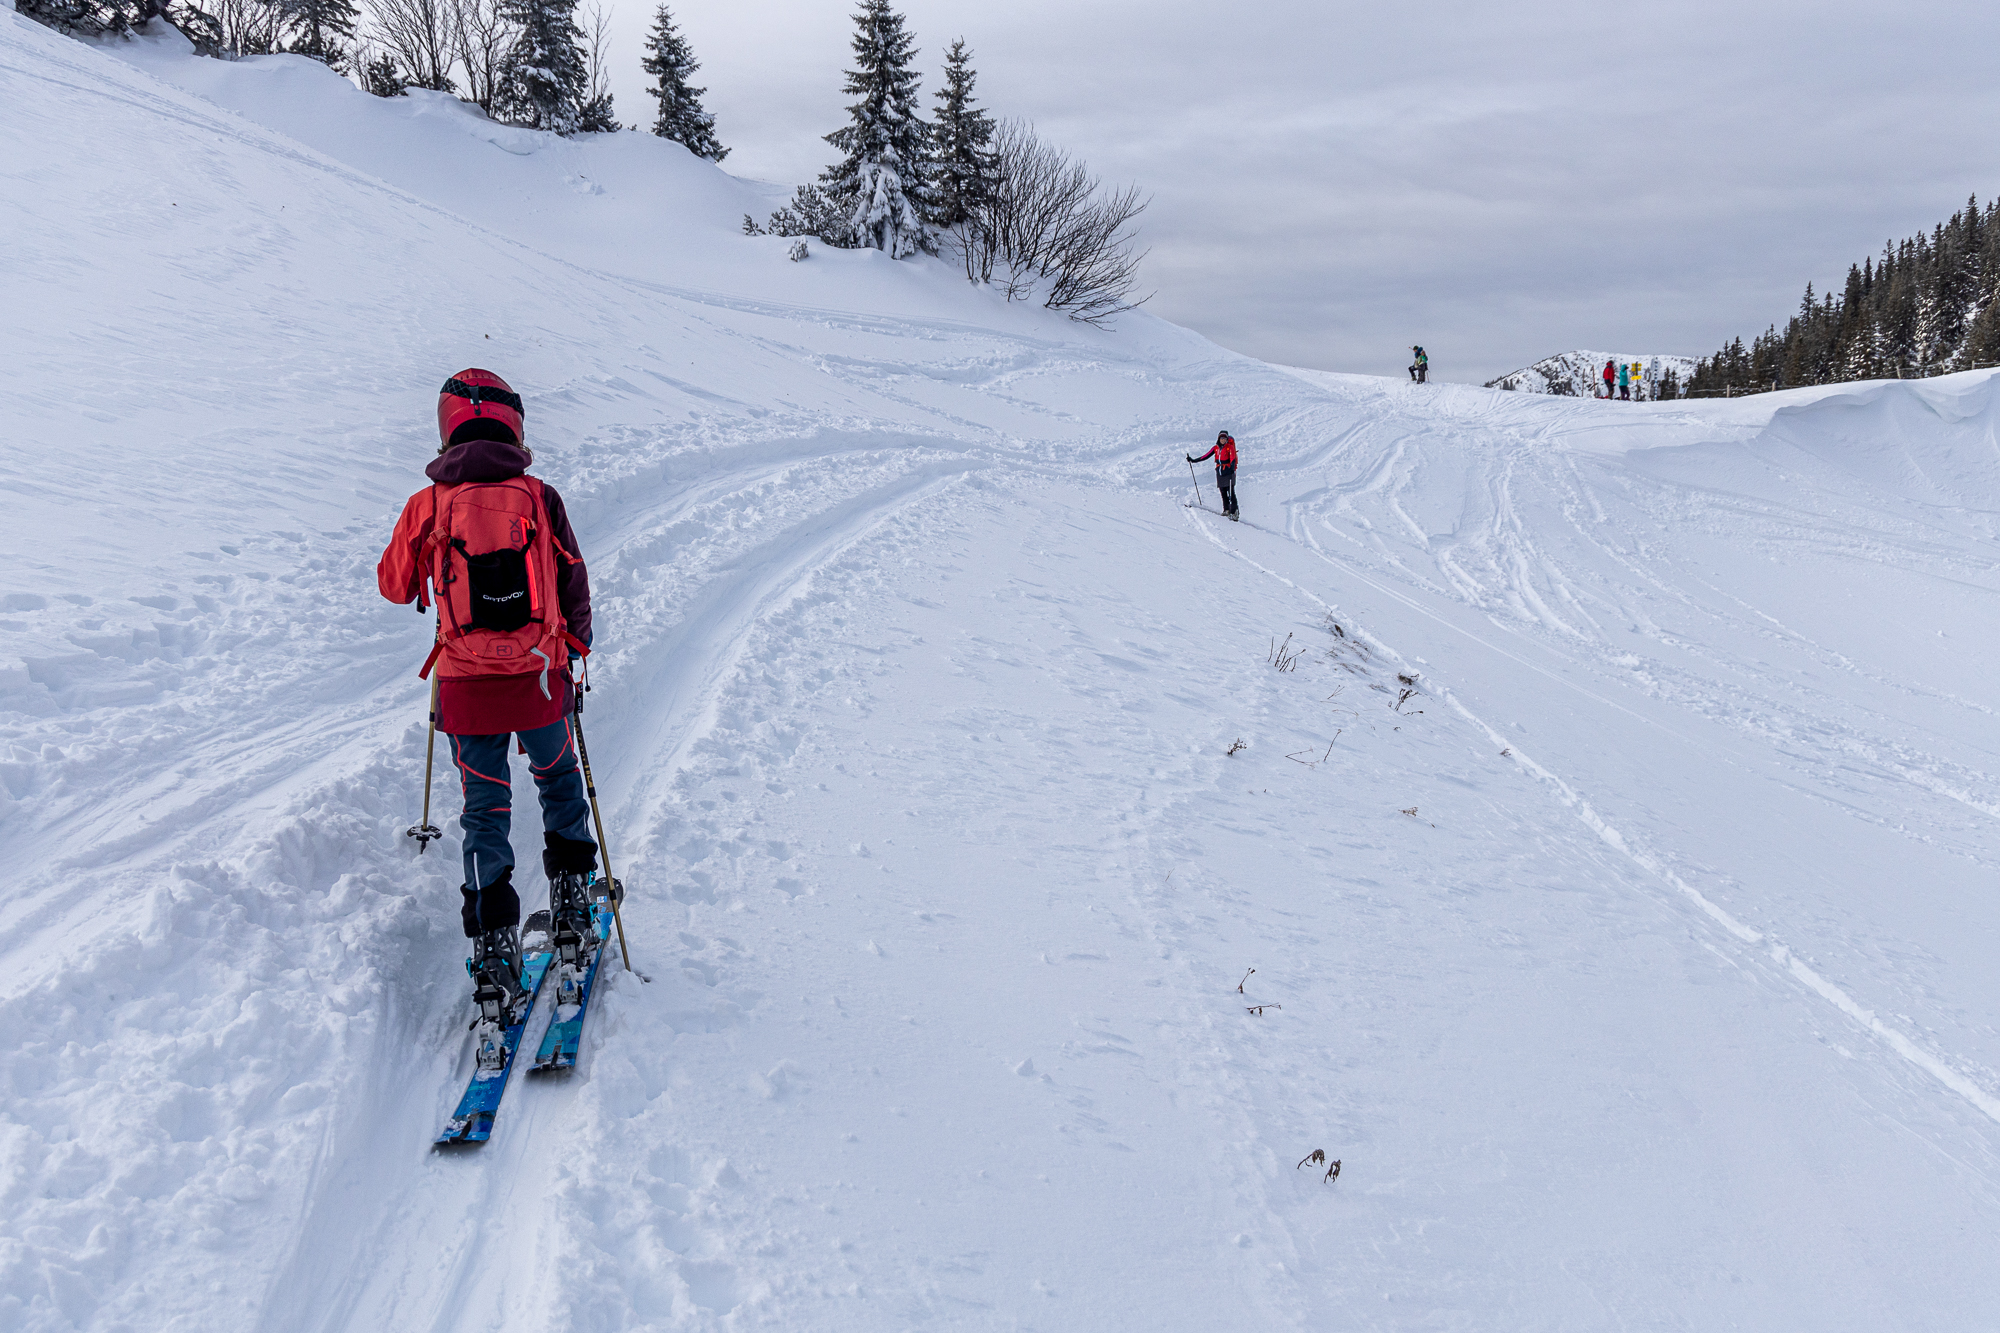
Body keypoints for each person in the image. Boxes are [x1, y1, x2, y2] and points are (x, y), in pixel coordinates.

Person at [377, 369, 597, 1015]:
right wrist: (575, 650)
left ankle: (495, 947)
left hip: (467, 685)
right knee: (559, 780)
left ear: (447, 427)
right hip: (538, 675)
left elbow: (395, 585)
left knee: (484, 808)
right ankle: (573, 901)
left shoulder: (428, 502)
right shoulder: (538, 494)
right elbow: (573, 575)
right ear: (514, 425)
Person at [1188, 430, 1240, 520]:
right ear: (1219, 439)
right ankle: (1226, 510)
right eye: (1221, 438)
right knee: (1223, 491)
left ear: (1227, 439)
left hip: (1229, 472)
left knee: (1231, 493)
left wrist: (1232, 468)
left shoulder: (1230, 447)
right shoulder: (1215, 448)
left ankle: (1234, 512)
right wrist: (1193, 460)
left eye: (1224, 438)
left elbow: (1233, 459)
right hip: (1220, 472)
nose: (1223, 440)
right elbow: (1206, 456)